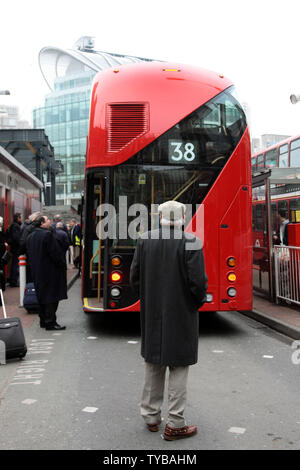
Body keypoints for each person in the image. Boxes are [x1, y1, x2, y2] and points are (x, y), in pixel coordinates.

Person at [130, 200, 207, 441]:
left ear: (159, 217)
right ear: (182, 217)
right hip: (182, 312)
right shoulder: (191, 241)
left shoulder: (144, 240)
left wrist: (149, 298)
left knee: (153, 362)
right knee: (179, 366)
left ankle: (151, 416)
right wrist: (195, 303)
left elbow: (135, 278)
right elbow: (198, 284)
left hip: (153, 311)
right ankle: (175, 422)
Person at [26, 216, 67, 331]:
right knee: (51, 297)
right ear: (42, 223)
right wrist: (61, 264)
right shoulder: (47, 235)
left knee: (42, 296)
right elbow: (55, 253)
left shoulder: (30, 236)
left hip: (37, 271)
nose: (50, 221)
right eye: (48, 220)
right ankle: (50, 322)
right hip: (50, 271)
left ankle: (43, 320)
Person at [6, 212, 22, 287]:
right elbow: (17, 238)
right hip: (16, 248)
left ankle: (13, 280)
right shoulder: (16, 226)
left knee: (14, 264)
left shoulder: (13, 225)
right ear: (18, 218)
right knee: (15, 265)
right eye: (20, 217)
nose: (21, 219)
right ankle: (14, 281)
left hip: (14, 248)